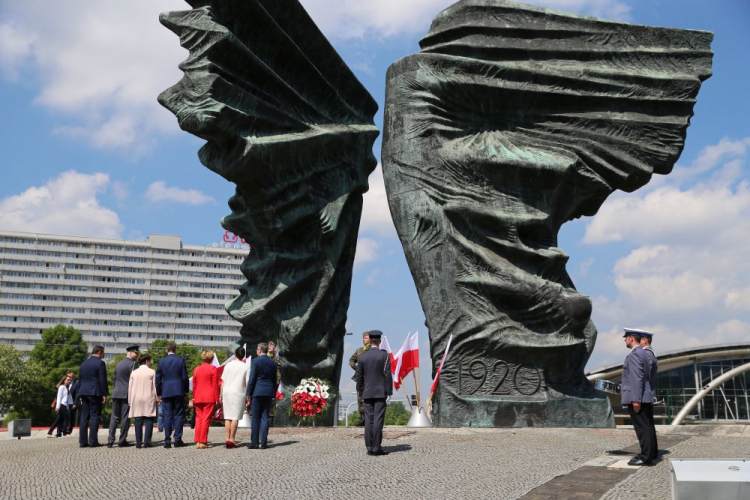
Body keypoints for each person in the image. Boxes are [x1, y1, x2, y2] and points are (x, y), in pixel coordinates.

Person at [621, 328, 657, 466]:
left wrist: (636, 399)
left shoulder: (635, 354)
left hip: (638, 397)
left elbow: (637, 378)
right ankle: (650, 454)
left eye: (626, 337)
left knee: (642, 428)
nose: (625, 340)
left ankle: (645, 456)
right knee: (647, 426)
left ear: (631, 338)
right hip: (644, 396)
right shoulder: (643, 353)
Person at [355, 330, 392, 456]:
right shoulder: (384, 355)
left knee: (368, 419)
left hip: (367, 392)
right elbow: (387, 374)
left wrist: (360, 389)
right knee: (378, 419)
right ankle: (376, 447)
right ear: (380, 341)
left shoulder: (362, 356)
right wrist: (389, 391)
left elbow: (359, 376)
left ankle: (369, 446)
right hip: (380, 392)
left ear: (370, 341)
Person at [245, 342, 278, 449]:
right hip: (268, 392)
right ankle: (264, 442)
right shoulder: (273, 363)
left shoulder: (256, 361)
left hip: (257, 392)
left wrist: (248, 394)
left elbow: (252, 378)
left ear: (259, 350)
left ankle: (255, 442)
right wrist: (273, 393)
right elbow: (274, 380)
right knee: (265, 417)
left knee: (255, 417)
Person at [155, 343, 189, 449]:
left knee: (167, 415)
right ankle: (178, 439)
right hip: (178, 390)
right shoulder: (180, 360)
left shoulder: (161, 361)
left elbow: (158, 379)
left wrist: (159, 393)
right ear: (176, 350)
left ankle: (167, 441)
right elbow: (184, 377)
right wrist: (186, 390)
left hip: (166, 391)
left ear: (166, 350)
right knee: (178, 415)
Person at [77, 345, 108, 448]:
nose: (104, 354)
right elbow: (102, 380)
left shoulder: (83, 363)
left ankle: (82, 441)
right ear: (99, 352)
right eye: (103, 352)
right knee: (95, 416)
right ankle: (93, 441)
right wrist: (104, 394)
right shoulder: (100, 363)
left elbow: (80, 379)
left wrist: (79, 394)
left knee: (84, 417)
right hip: (95, 392)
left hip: (83, 392)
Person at [108, 345, 139, 448]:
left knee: (114, 417)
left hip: (116, 392)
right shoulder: (133, 364)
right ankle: (122, 440)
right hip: (126, 394)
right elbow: (134, 380)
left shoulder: (119, 364)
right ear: (130, 353)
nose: (137, 355)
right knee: (125, 418)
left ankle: (110, 440)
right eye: (136, 353)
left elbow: (114, 378)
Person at [221, 345, 250, 448]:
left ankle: (227, 438)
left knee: (227, 416)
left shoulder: (228, 365)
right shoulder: (245, 366)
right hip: (238, 392)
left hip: (227, 392)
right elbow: (247, 382)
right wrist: (248, 396)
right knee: (235, 417)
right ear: (243, 356)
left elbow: (223, 381)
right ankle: (232, 439)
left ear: (235, 355)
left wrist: (221, 395)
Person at [129, 353, 158, 449]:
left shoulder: (134, 372)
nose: (151, 363)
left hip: (136, 398)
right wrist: (157, 398)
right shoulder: (152, 372)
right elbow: (154, 386)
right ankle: (147, 441)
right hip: (148, 397)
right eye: (150, 361)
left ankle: (138, 442)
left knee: (138, 420)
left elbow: (130, 387)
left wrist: (130, 400)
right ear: (147, 361)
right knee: (149, 419)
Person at [192, 350, 220, 449]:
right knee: (206, 419)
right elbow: (215, 385)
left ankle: (198, 441)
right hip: (209, 397)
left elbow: (194, 385)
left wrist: (194, 396)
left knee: (198, 418)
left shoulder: (196, 369)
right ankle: (203, 441)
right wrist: (217, 399)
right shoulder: (213, 369)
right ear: (212, 359)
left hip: (198, 396)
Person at [640, 331, 659, 461]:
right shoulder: (649, 353)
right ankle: (652, 452)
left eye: (639, 339)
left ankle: (647, 454)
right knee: (648, 425)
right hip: (647, 393)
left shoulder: (647, 354)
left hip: (644, 394)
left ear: (645, 340)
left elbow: (644, 374)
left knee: (645, 426)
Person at [349, 332, 371, 426]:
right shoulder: (359, 351)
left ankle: (369, 418)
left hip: (370, 377)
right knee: (360, 398)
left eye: (366, 338)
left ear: (370, 339)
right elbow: (351, 360)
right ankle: (362, 418)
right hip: (361, 378)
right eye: (363, 338)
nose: (364, 339)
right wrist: (356, 368)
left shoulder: (373, 350)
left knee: (369, 397)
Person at [47, 374, 73, 438]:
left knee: (58, 419)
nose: (69, 381)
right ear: (64, 380)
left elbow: (69, 398)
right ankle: (65, 433)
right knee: (66, 419)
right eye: (67, 380)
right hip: (62, 405)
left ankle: (50, 432)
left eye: (70, 380)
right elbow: (59, 397)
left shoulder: (66, 387)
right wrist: (57, 406)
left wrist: (70, 405)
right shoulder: (62, 387)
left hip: (64, 405)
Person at [267, 341, 282, 426]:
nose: (270, 347)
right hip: (265, 383)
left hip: (273, 384)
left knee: (272, 402)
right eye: (269, 346)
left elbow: (278, 373)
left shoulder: (276, 359)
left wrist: (276, 383)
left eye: (271, 346)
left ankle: (271, 421)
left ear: (274, 348)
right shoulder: (264, 357)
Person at [67, 371, 79, 435]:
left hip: (72, 403)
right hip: (65, 402)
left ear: (73, 377)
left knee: (70, 416)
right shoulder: (66, 383)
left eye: (70, 377)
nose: (69, 378)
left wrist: (75, 403)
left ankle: (69, 429)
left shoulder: (76, 384)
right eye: (68, 376)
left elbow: (77, 394)